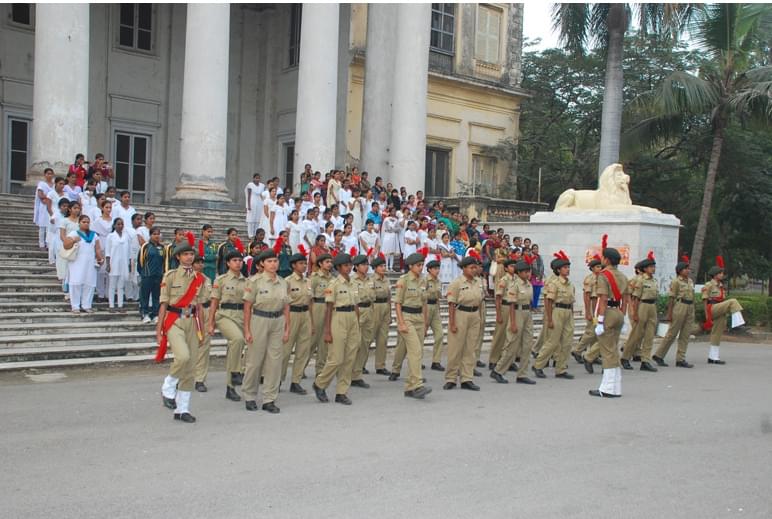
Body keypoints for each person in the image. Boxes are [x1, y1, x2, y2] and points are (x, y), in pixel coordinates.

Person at [156, 243, 206, 423]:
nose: (189, 258)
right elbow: (163, 304)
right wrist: (158, 329)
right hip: (174, 320)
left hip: (191, 320)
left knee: (190, 367)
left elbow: (199, 306)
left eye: (191, 254)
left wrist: (202, 330)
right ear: (178, 257)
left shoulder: (200, 278)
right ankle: (168, 386)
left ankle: (182, 409)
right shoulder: (170, 276)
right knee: (183, 357)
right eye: (185, 254)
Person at [242, 250, 290, 414]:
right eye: (269, 261)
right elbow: (247, 307)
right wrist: (247, 330)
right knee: (255, 360)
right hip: (259, 320)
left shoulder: (283, 282)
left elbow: (286, 306)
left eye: (275, 261)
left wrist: (287, 328)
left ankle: (269, 398)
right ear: (262, 263)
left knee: (275, 361)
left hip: (278, 321)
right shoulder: (254, 281)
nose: (273, 264)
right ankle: (249, 395)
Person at [312, 253, 362, 405]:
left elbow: (356, 305)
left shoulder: (353, 283)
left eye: (350, 265)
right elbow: (328, 309)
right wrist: (327, 331)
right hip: (338, 318)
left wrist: (357, 323)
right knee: (336, 358)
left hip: (352, 318)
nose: (349, 267)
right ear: (339, 268)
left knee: (350, 358)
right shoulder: (333, 284)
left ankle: (341, 392)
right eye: (346, 265)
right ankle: (320, 383)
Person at [589, 237, 628, 398]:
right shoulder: (622, 276)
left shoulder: (604, 275)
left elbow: (603, 298)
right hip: (618, 312)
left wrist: (599, 320)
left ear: (606, 259)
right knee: (614, 349)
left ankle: (607, 388)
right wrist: (624, 317)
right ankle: (615, 386)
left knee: (607, 351)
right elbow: (626, 298)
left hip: (608, 314)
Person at [207, 251, 247, 400]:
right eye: (234, 260)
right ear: (228, 263)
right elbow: (214, 302)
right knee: (237, 339)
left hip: (241, 316)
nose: (238, 263)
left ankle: (230, 387)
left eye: (240, 260)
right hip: (224, 315)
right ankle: (236, 372)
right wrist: (210, 322)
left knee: (234, 350)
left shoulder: (247, 281)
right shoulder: (221, 280)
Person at [491, 259, 537, 385]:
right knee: (512, 344)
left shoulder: (529, 285)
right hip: (516, 313)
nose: (528, 274)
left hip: (527, 313)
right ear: (519, 273)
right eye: (525, 272)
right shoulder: (514, 285)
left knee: (527, 345)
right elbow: (511, 304)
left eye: (529, 271)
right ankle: (498, 370)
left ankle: (522, 374)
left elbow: (530, 301)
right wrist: (512, 323)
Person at [532, 251, 575, 380]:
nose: (567, 270)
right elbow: (549, 302)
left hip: (568, 312)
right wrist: (549, 319)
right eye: (565, 268)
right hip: (557, 311)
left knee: (567, 342)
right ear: (558, 270)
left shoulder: (570, 284)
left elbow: (571, 301)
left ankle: (561, 369)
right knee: (553, 342)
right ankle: (538, 365)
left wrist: (571, 315)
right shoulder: (554, 283)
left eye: (568, 267)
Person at [443, 255, 484, 391]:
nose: (474, 270)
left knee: (470, 348)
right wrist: (452, 323)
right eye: (471, 268)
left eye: (475, 267)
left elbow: (480, 300)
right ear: (464, 268)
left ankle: (467, 378)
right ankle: (451, 378)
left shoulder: (478, 282)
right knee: (455, 348)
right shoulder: (456, 283)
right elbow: (451, 304)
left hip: (474, 315)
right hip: (460, 314)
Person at [701, 256, 745, 365]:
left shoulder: (721, 286)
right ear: (715, 275)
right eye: (720, 273)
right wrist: (707, 317)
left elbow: (722, 300)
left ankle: (713, 357)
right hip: (712, 308)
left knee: (717, 333)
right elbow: (705, 300)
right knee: (733, 301)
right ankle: (738, 323)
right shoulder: (709, 285)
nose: (722, 275)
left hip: (720, 308)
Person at [654, 256, 696, 368]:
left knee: (685, 334)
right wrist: (669, 313)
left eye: (688, 269)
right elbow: (671, 298)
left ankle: (680, 358)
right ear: (680, 271)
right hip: (680, 306)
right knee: (672, 333)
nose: (688, 270)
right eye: (685, 269)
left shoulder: (690, 281)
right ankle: (659, 355)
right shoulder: (676, 281)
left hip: (690, 306)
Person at [621, 252, 659, 372]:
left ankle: (645, 360)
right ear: (645, 268)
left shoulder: (653, 281)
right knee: (636, 334)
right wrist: (634, 313)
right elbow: (635, 298)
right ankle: (625, 357)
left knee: (649, 335)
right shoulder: (640, 280)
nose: (653, 269)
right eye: (651, 267)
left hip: (652, 306)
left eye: (654, 266)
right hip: (642, 306)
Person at [281, 252, 313, 395]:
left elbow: (310, 302)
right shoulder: (287, 281)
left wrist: (311, 321)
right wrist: (286, 323)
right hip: (292, 314)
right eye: (301, 263)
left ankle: (296, 381)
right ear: (294, 265)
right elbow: (284, 303)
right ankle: (277, 380)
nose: (304, 266)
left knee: (303, 350)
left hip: (305, 314)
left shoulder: (308, 281)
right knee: (285, 350)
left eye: (305, 263)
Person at [63, 215, 104, 313]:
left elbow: (97, 249)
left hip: (90, 263)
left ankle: (86, 305)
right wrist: (73, 240)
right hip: (76, 263)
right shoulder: (74, 233)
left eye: (88, 222)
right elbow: (65, 245)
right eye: (84, 222)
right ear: (79, 223)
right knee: (76, 283)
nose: (86, 224)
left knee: (89, 284)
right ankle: (75, 306)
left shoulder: (94, 235)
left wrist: (100, 259)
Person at [349, 255, 375, 389]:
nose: (366, 267)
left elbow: (373, 299)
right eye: (363, 265)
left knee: (365, 344)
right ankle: (347, 373)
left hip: (369, 311)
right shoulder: (351, 280)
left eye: (367, 265)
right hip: (357, 311)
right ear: (356, 267)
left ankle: (357, 375)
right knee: (355, 344)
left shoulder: (370, 280)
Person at [571, 256, 602, 365]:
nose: (599, 268)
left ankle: (593, 354)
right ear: (592, 268)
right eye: (597, 267)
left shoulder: (602, 278)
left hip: (600, 304)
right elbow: (587, 296)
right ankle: (577, 350)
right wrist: (588, 312)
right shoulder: (590, 279)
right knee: (591, 331)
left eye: (600, 266)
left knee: (597, 332)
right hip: (594, 305)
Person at [487, 258, 516, 371]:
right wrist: (498, 313)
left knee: (511, 336)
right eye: (511, 266)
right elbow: (498, 298)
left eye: (515, 266)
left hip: (514, 308)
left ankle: (508, 360)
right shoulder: (504, 280)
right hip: (504, 307)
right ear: (506, 268)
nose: (513, 268)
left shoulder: (516, 280)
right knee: (500, 335)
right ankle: (493, 359)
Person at [368, 254, 392, 375]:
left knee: (383, 339)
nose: (383, 268)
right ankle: (359, 365)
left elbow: (389, 297)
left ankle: (380, 366)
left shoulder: (386, 280)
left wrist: (390, 313)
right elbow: (370, 298)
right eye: (381, 266)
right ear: (375, 268)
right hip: (375, 307)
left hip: (385, 308)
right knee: (368, 338)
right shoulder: (371, 280)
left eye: (384, 265)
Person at [192, 256, 213, 393]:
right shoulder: (187, 278)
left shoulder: (207, 279)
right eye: (197, 263)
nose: (200, 265)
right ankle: (184, 377)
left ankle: (200, 379)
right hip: (192, 312)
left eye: (201, 263)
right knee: (189, 346)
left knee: (204, 346)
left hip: (205, 310)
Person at [138, 227, 165, 323]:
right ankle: (144, 313)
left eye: (158, 234)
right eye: (154, 234)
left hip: (158, 276)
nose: (157, 236)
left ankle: (155, 314)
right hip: (147, 275)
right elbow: (140, 262)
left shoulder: (162, 248)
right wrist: (144, 273)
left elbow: (164, 262)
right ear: (150, 235)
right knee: (144, 296)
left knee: (156, 296)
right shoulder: (145, 247)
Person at [105, 218, 131, 312]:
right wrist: (108, 264)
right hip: (113, 263)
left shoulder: (126, 236)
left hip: (123, 264)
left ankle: (120, 305)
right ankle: (111, 305)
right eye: (118, 224)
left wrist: (129, 264)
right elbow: (107, 252)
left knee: (121, 286)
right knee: (112, 285)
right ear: (114, 225)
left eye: (122, 224)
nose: (120, 226)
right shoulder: (110, 236)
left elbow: (129, 252)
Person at [425, 259, 445, 371]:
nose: (437, 271)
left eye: (438, 268)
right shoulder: (425, 280)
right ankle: (417, 360)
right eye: (435, 269)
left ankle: (436, 361)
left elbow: (438, 297)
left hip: (435, 308)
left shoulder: (438, 281)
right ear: (429, 270)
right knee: (421, 335)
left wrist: (439, 310)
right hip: (426, 307)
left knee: (440, 334)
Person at [34, 168, 55, 249]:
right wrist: (48, 197)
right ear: (45, 174)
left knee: (49, 227)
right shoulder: (42, 184)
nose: (49, 175)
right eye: (48, 173)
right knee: (42, 226)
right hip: (43, 207)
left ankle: (48, 244)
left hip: (51, 206)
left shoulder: (54, 185)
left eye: (51, 173)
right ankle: (41, 244)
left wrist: (48, 197)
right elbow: (40, 195)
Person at [125, 213, 143, 301]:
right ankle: (129, 295)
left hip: (139, 256)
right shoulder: (127, 230)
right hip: (129, 255)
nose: (139, 221)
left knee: (138, 276)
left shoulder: (142, 231)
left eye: (140, 220)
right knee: (129, 276)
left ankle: (137, 296)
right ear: (132, 221)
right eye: (137, 219)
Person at [245, 173, 265, 238]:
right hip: (252, 201)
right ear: (253, 178)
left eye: (258, 178)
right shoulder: (250, 185)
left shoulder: (262, 185)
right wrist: (248, 205)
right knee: (251, 219)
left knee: (257, 219)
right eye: (256, 178)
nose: (257, 179)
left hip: (259, 202)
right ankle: (250, 234)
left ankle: (256, 233)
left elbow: (262, 195)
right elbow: (249, 195)